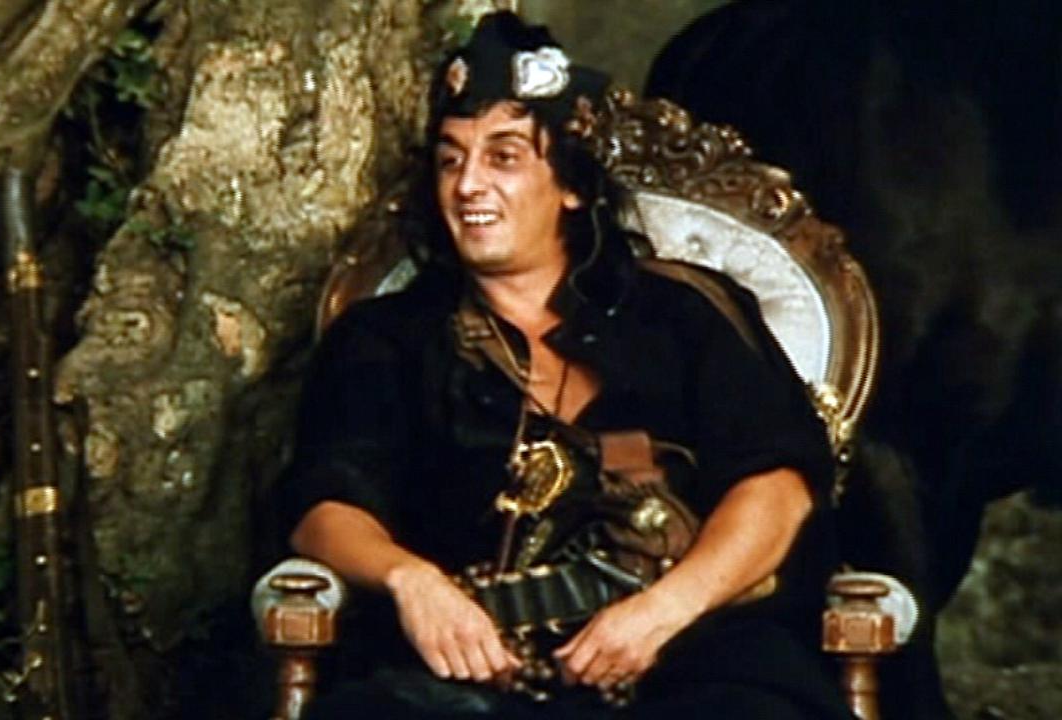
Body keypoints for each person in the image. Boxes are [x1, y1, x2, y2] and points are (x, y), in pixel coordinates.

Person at [279, 11, 854, 719]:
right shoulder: (387, 338)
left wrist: (663, 611)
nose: (468, 185)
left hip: (691, 661)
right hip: (468, 676)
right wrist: (411, 583)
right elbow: (324, 509)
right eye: (451, 160)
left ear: (572, 186)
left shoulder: (682, 316)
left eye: (504, 157)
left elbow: (778, 488)